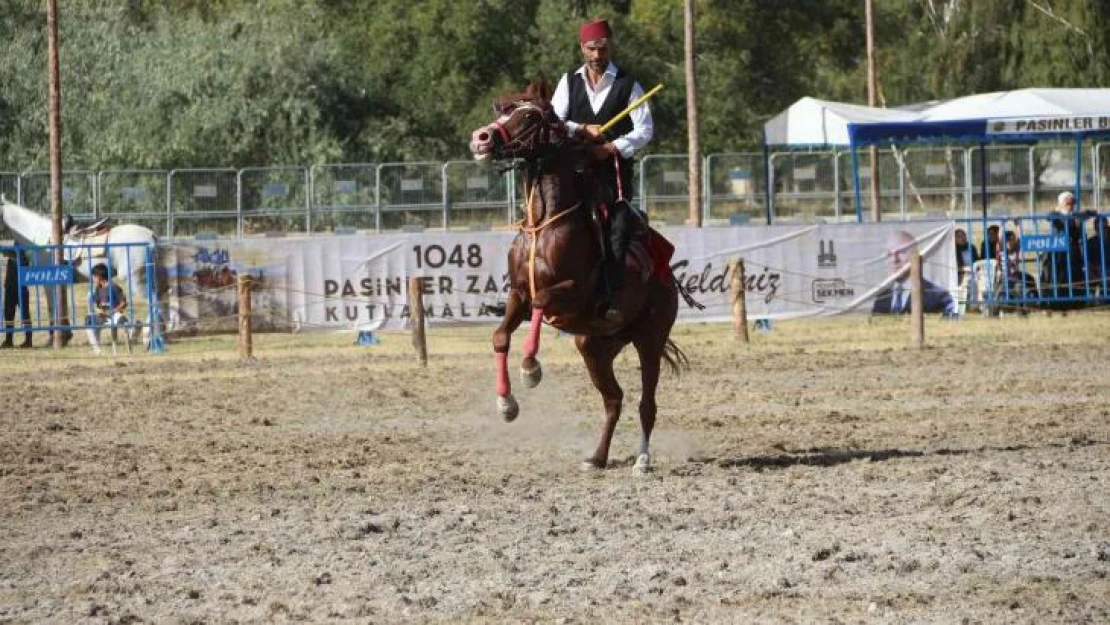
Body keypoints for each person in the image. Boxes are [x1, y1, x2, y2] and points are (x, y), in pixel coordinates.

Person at [550, 17, 654, 321]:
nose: (598, 56)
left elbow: (645, 129)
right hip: (572, 176)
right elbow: (555, 122)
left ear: (611, 47)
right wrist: (583, 128)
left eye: (603, 49)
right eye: (592, 49)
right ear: (582, 48)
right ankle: (524, 289)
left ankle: (611, 297)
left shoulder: (628, 84)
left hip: (613, 178)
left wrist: (609, 148)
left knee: (618, 229)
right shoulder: (568, 81)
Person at [872, 230, 957, 316]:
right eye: (889, 254)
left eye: (901, 252)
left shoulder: (938, 296)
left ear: (916, 256)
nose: (894, 259)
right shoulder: (881, 297)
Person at [86, 263, 131, 355]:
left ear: (100, 277)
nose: (93, 279)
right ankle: (97, 351)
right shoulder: (98, 288)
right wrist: (98, 311)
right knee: (89, 322)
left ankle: (131, 336)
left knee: (121, 320)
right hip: (103, 316)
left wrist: (111, 311)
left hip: (114, 314)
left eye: (94, 277)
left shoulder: (114, 287)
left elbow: (124, 303)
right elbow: (96, 303)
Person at [1, 249, 32, 349]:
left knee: (24, 312)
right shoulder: (12, 244)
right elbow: (5, 251)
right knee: (8, 313)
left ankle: (28, 340)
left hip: (21, 284)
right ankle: (9, 340)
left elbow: (28, 258)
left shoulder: (25, 246)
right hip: (10, 284)